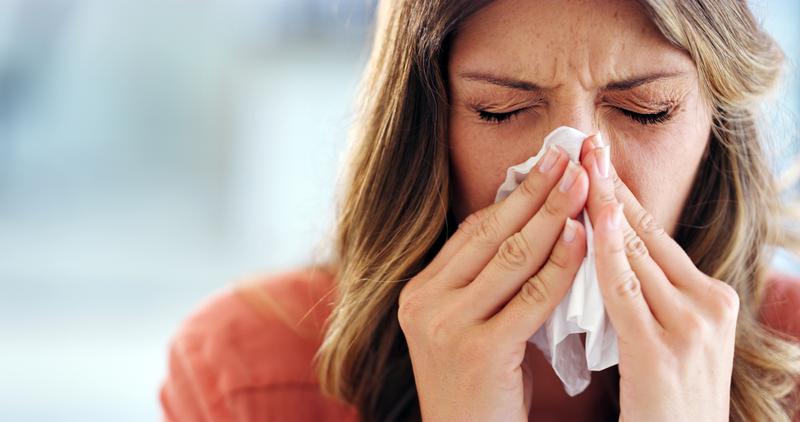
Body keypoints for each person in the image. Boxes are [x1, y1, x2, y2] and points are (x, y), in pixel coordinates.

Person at [159, 0, 800, 420]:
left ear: (717, 125)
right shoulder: (251, 373)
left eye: (646, 110)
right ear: (426, 128)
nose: (578, 176)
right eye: (501, 111)